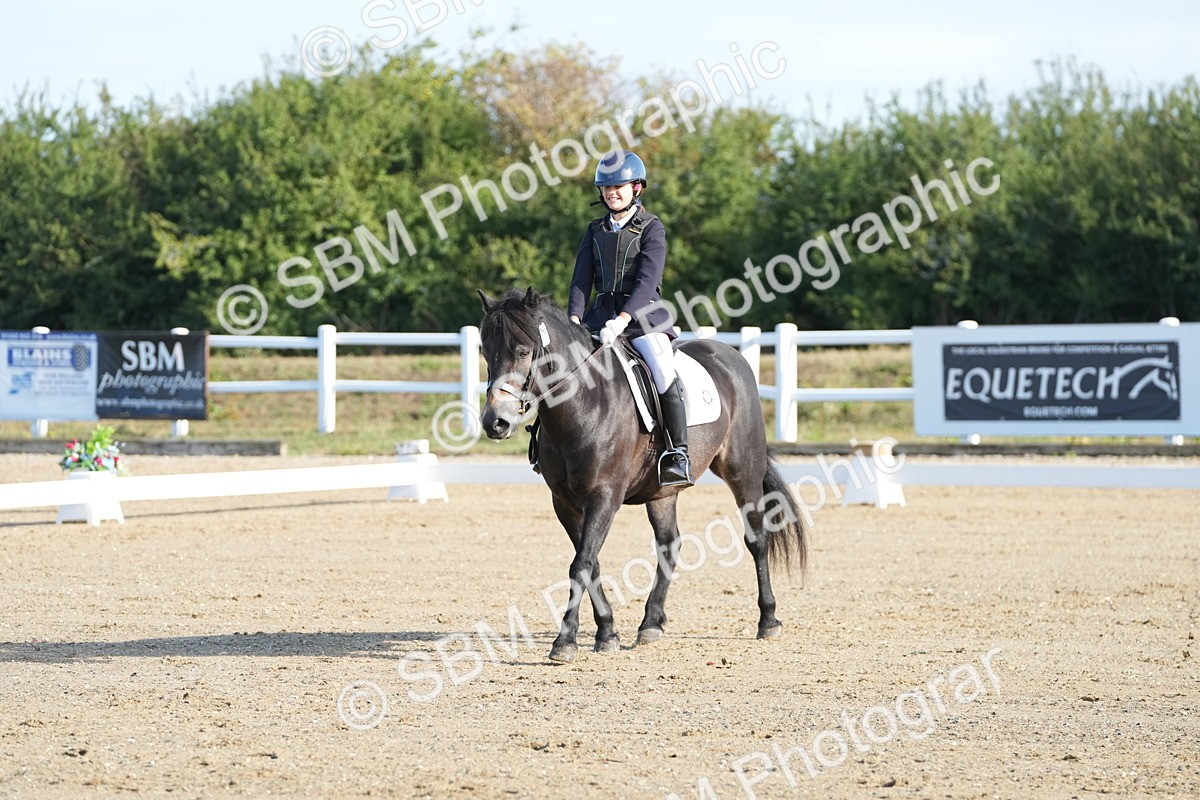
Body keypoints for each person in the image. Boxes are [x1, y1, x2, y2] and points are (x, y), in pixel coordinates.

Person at [567, 149, 692, 487]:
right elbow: (581, 280)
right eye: (607, 188)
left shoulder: (652, 228)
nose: (612, 193)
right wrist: (575, 320)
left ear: (637, 187)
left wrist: (623, 320)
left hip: (643, 317)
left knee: (663, 371)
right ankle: (547, 447)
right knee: (562, 369)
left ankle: (677, 452)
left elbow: (647, 281)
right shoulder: (594, 230)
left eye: (619, 187)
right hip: (599, 317)